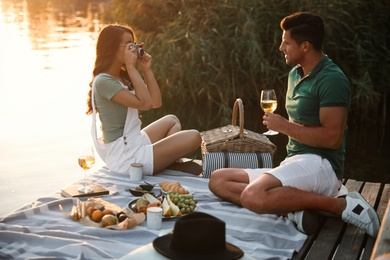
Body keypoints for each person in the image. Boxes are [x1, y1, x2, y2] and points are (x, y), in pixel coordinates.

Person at [208, 12, 380, 237]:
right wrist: (285, 127)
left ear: (306, 46)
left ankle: (339, 206)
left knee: (253, 195)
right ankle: (294, 208)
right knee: (218, 180)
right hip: (295, 160)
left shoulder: (332, 79)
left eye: (286, 42)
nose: (281, 47)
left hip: (322, 165)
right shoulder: (294, 75)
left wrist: (284, 126)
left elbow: (332, 138)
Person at [86, 24, 201, 176]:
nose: (133, 48)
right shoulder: (103, 81)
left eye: (133, 44)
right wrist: (131, 67)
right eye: (128, 44)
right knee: (195, 136)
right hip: (125, 156)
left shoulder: (120, 77)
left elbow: (155, 102)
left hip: (134, 141)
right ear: (112, 47)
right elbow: (145, 104)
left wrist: (146, 69)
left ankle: (169, 163)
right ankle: (168, 163)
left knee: (172, 120)